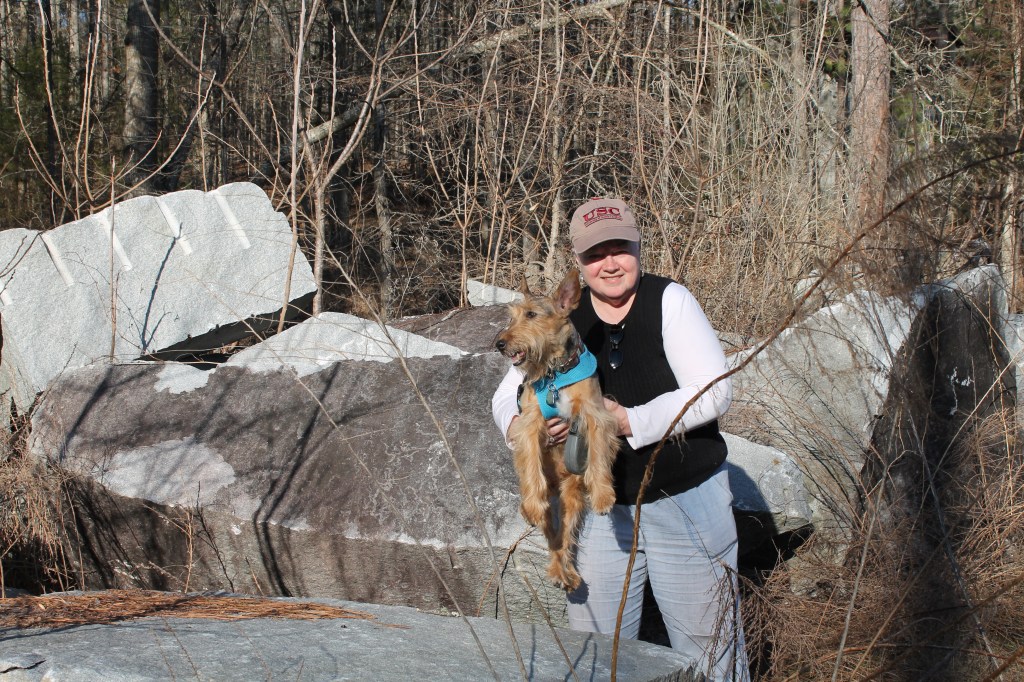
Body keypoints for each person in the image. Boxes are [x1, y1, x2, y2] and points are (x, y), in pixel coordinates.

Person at [491, 197, 748, 681]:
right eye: (595, 254)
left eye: (619, 249)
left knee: (710, 654)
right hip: (597, 513)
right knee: (597, 656)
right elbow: (506, 397)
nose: (609, 263)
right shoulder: (559, 318)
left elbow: (715, 391)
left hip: (684, 501)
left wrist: (629, 420)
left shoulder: (669, 300)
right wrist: (525, 427)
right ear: (579, 261)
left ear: (638, 247)